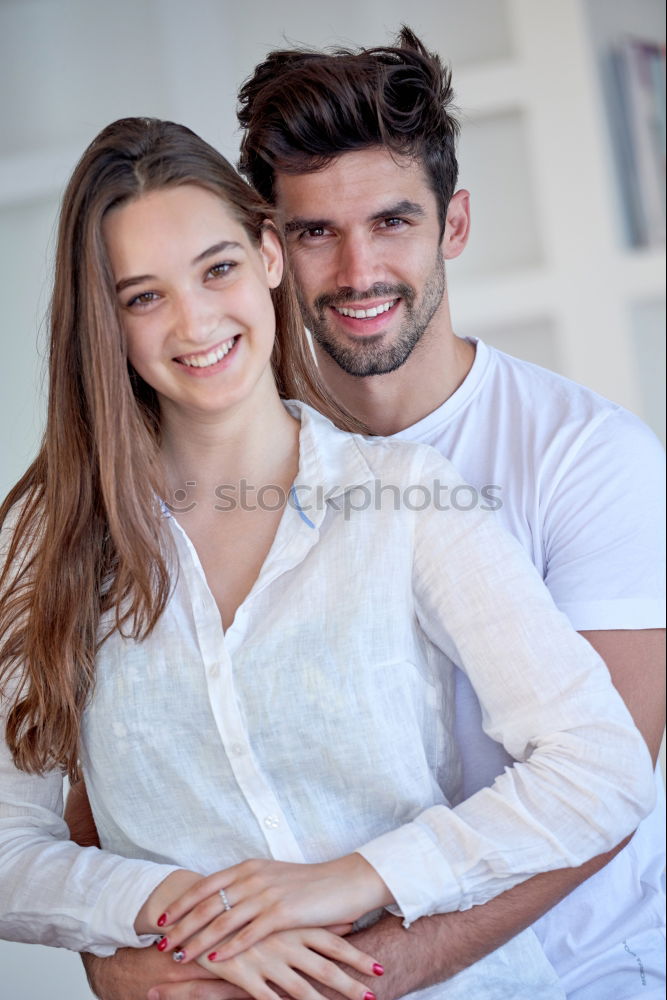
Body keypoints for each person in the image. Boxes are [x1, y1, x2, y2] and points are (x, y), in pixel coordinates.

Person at [0, 117, 654, 1000]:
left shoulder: (406, 500)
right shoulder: (52, 538)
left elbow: (601, 769)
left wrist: (355, 877)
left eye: (217, 270)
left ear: (267, 257)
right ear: (103, 320)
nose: (195, 322)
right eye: (142, 296)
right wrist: (172, 910)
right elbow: (11, 839)